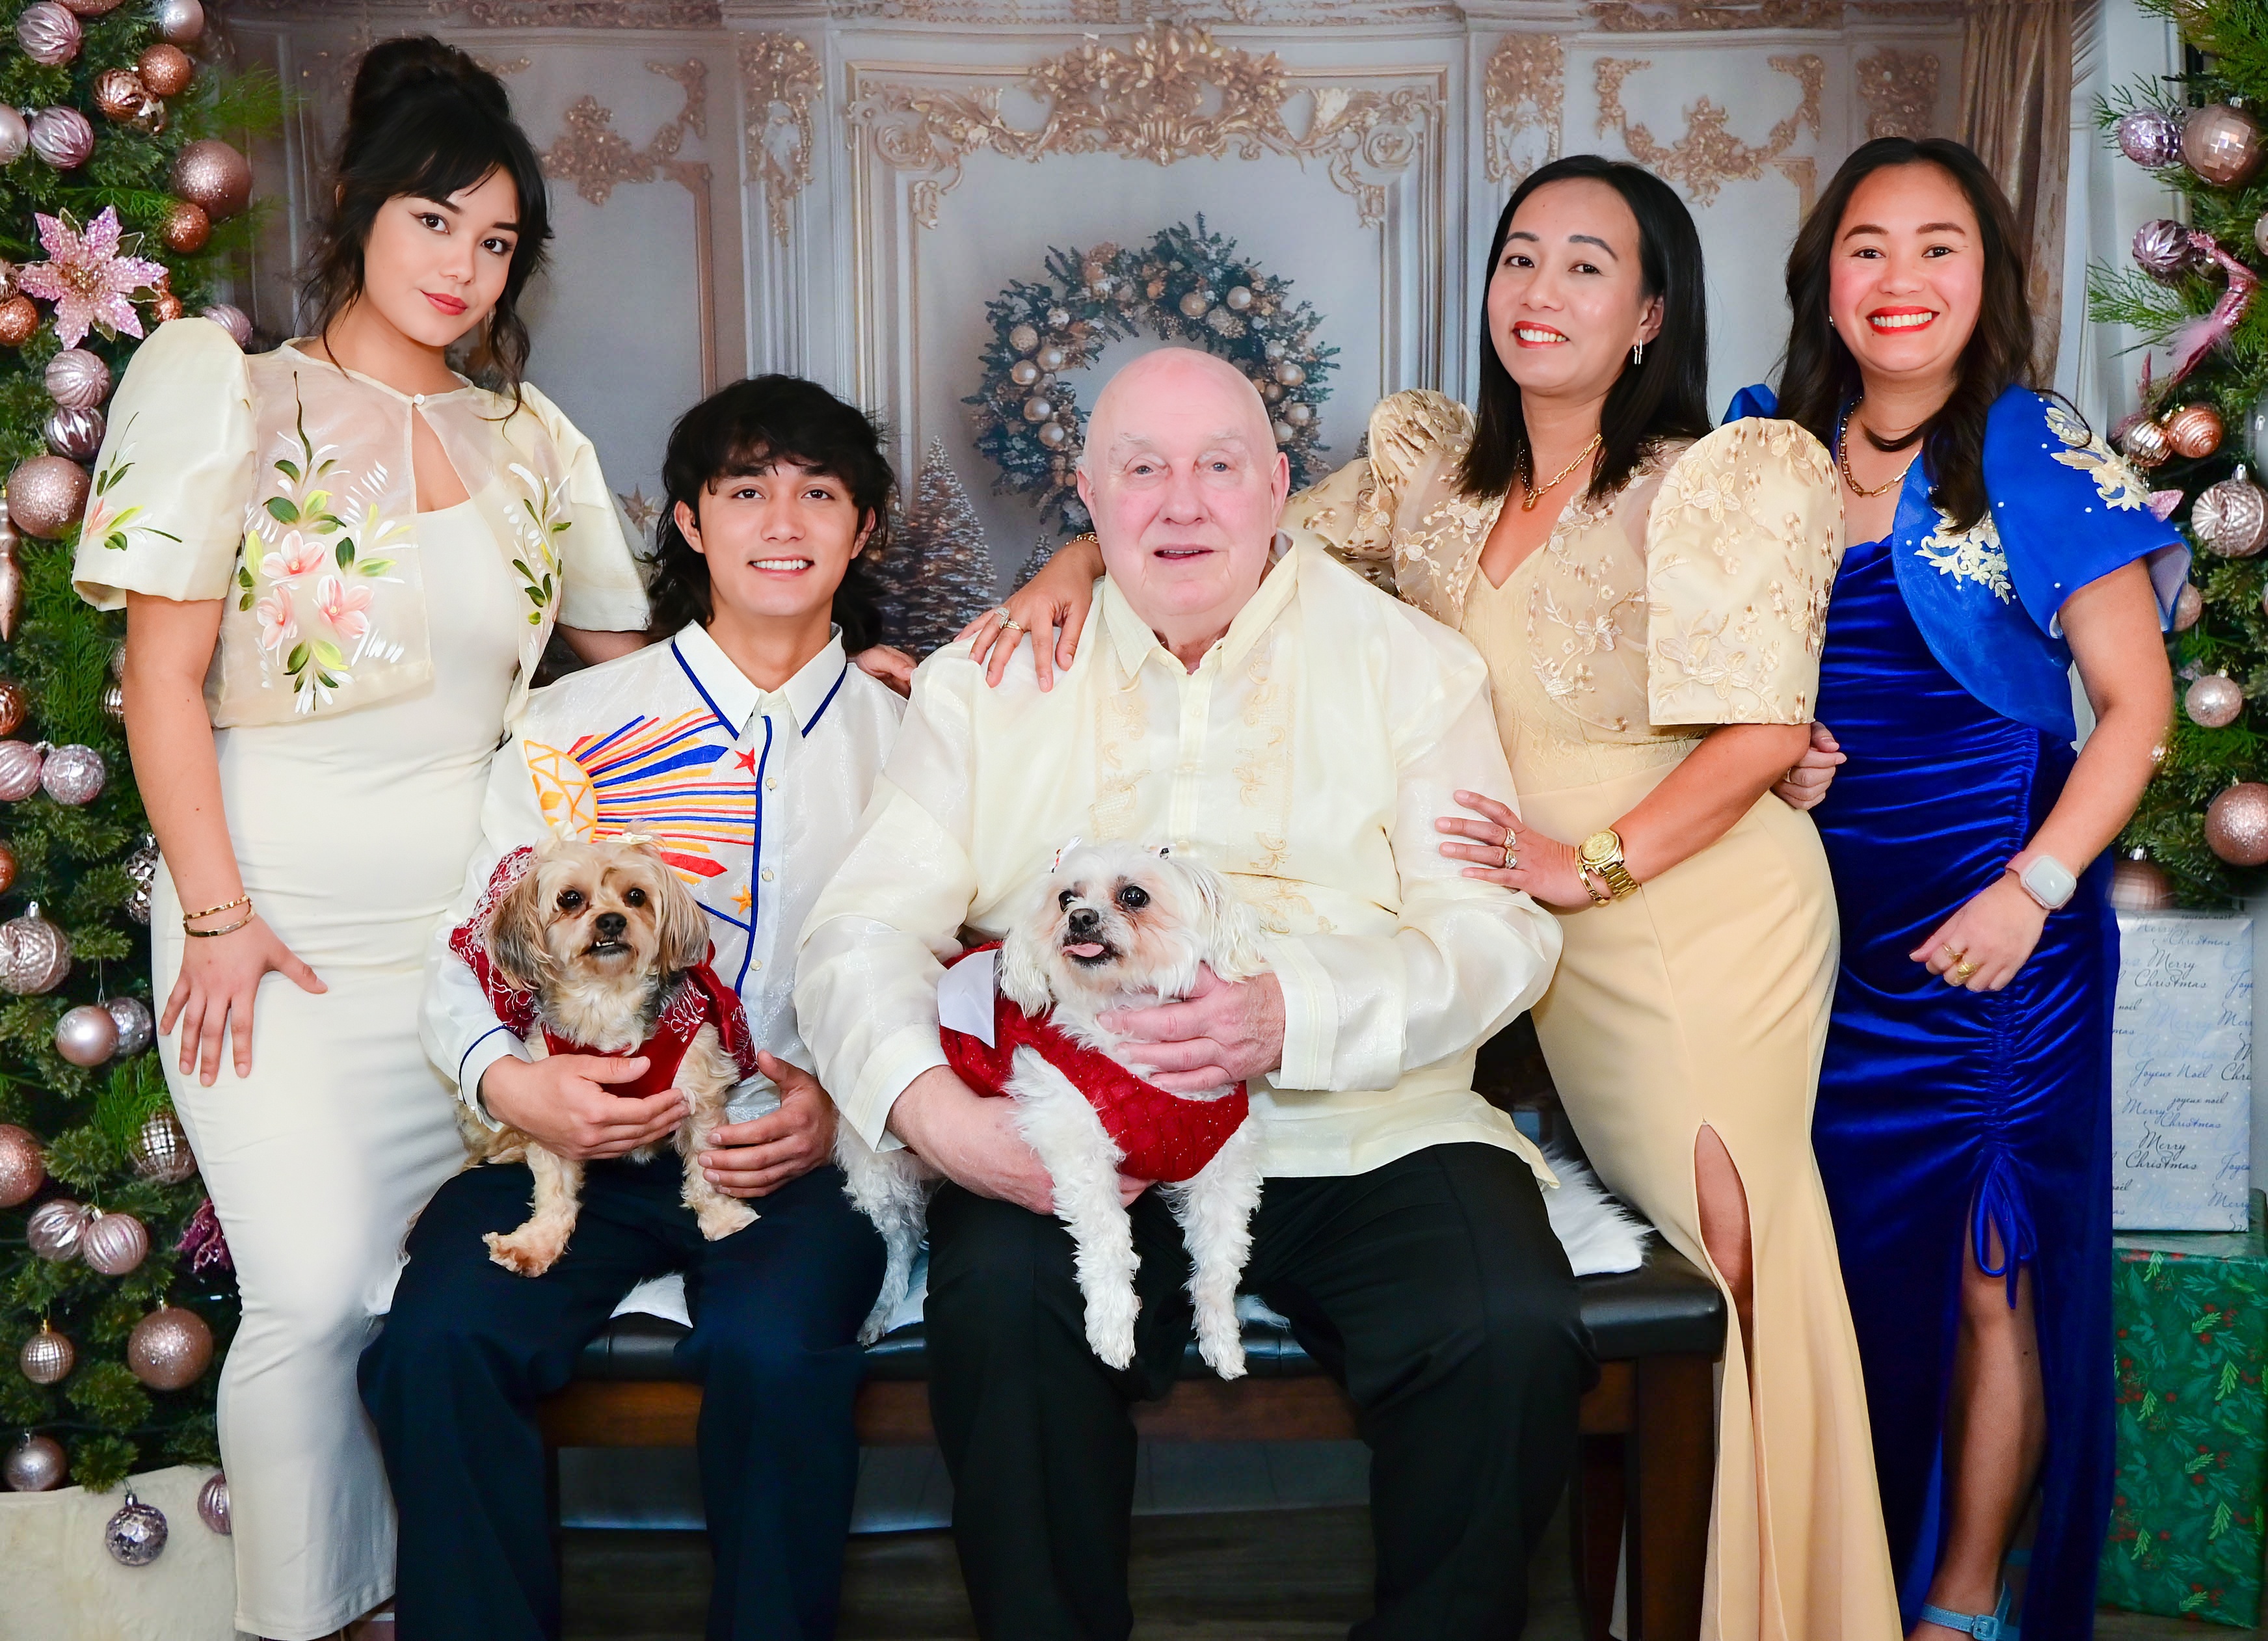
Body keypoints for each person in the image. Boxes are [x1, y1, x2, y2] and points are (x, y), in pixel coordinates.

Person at [981, 154, 1901, 1639]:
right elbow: (1231, 514)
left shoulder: (1712, 475)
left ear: (1651, 313)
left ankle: (1782, 1607)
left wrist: (1583, 863)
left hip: (1682, 906)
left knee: (1735, 1235)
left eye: (1589, 266)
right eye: (1520, 256)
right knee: (1657, 1247)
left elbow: (1761, 730)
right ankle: (1651, 1591)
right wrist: (1084, 554)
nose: (1542, 290)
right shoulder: (1436, 471)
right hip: (1518, 911)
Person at [797, 345, 1587, 1640]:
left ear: (1277, 484)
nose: (1181, 503)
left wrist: (1291, 1012)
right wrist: (936, 1114)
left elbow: (1494, 933)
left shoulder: (1411, 666)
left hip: (1366, 1127)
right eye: (1142, 469)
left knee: (1506, 1324)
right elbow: (860, 930)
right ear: (1087, 496)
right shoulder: (985, 683)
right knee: (1006, 1310)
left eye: (1219, 466)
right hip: (1082, 1140)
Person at [72, 38, 650, 1641]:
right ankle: (301, 1620)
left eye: (498, 240)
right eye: (434, 221)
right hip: (276, 913)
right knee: (314, 1289)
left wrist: (843, 673)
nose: (463, 265)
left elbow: (636, 680)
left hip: (468, 950)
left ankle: (409, 1601)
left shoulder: (535, 437)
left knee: (424, 1301)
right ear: (357, 209)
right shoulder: (230, 391)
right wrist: (215, 914)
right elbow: (161, 678)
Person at [358, 375, 903, 1641]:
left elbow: (950, 965)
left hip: (786, 1154)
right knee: (437, 1342)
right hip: (567, 1144)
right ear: (690, 521)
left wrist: (841, 1105)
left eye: (820, 493)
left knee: (776, 1354)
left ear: (864, 528)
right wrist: (512, 1080)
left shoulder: (912, 738)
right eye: (746, 490)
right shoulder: (573, 725)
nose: (783, 521)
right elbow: (468, 946)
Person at [1733, 137, 2180, 1640]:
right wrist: (1777, 755)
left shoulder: (2026, 445)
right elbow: (1714, 689)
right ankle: (1843, 1575)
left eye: (1939, 246)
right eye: (1867, 246)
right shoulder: (1766, 444)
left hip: (1999, 942)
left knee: (1992, 1271)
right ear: (1824, 280)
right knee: (1847, 1267)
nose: (1900, 277)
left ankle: (1960, 1600)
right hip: (1815, 940)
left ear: (1987, 277)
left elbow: (2137, 707)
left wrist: (2031, 889)